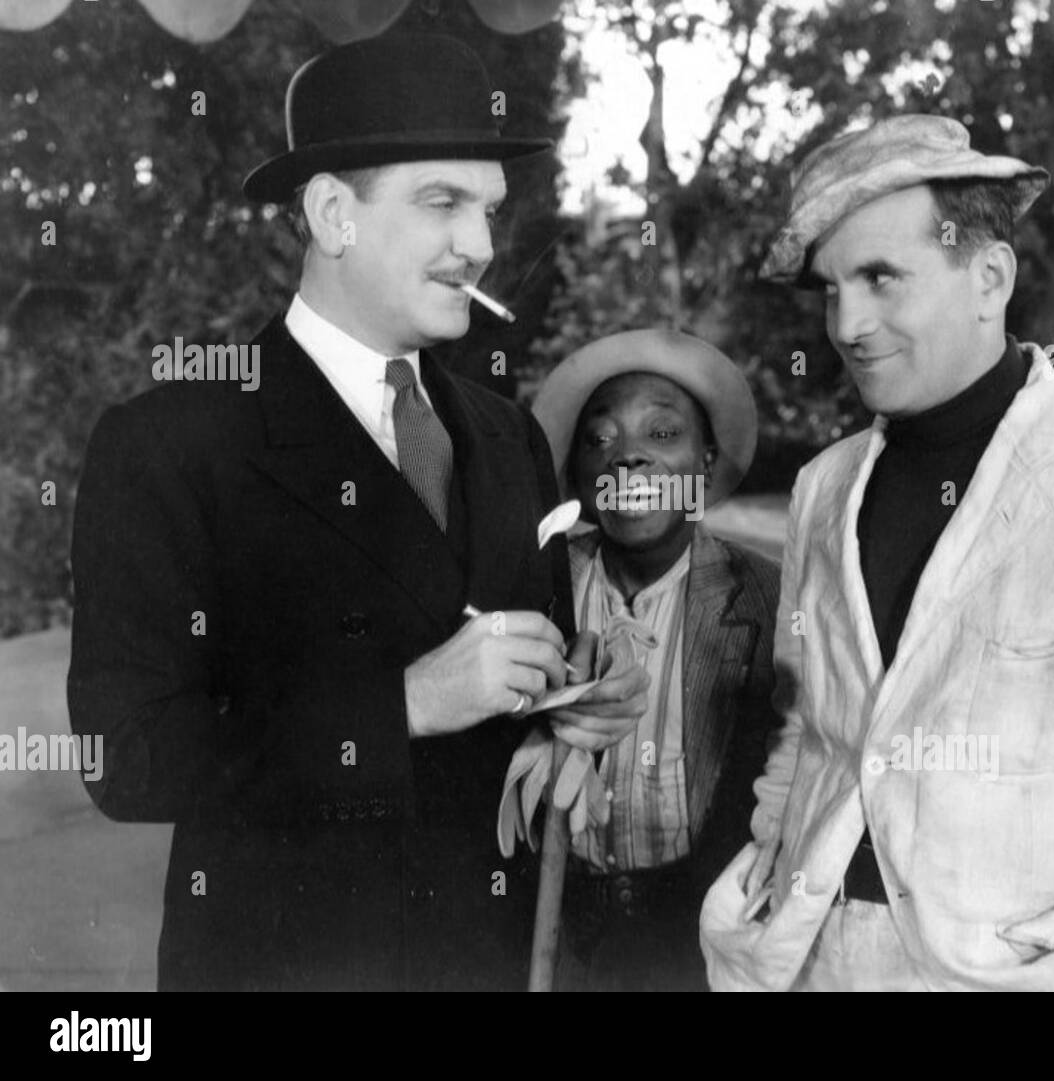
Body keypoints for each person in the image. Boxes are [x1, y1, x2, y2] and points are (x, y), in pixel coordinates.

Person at [66, 34, 647, 992]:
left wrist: (575, 698)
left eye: (490, 211)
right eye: (442, 204)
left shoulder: (511, 438)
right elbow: (126, 756)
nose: (484, 247)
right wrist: (403, 705)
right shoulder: (173, 440)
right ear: (334, 213)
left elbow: (515, 688)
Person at [700, 114, 1054, 991]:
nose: (847, 323)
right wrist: (768, 877)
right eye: (829, 289)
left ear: (989, 276)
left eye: (881, 278)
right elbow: (808, 727)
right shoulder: (824, 487)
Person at [500, 329, 782, 990]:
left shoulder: (770, 600)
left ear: (705, 465)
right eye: (599, 440)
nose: (627, 458)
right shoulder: (531, 586)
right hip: (552, 933)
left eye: (661, 435)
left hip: (699, 937)